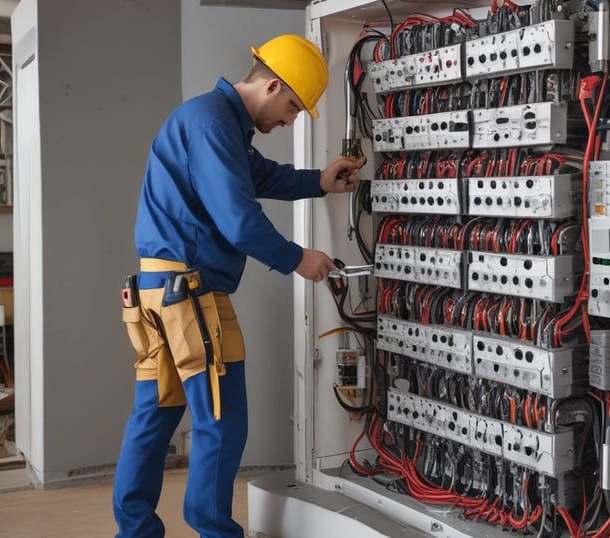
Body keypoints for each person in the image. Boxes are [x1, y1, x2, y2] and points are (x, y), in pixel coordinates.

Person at [112, 34, 365, 537]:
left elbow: (261, 178)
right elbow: (240, 222)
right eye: (293, 106)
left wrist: (320, 180)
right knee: (222, 422)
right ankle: (216, 531)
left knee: (155, 417)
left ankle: (134, 531)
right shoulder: (211, 124)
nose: (291, 119)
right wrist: (300, 259)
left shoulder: (214, 122)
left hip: (154, 292)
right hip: (190, 297)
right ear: (271, 84)